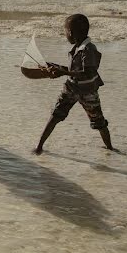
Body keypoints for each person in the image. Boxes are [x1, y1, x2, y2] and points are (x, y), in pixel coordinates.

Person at [34, 14, 113, 155]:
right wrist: (56, 66)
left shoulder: (89, 49)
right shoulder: (77, 47)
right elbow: (74, 71)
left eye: (65, 32)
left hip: (88, 92)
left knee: (99, 122)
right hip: (70, 87)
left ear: (70, 32)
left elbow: (88, 73)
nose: (65, 35)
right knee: (55, 115)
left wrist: (63, 72)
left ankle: (110, 149)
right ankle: (39, 146)